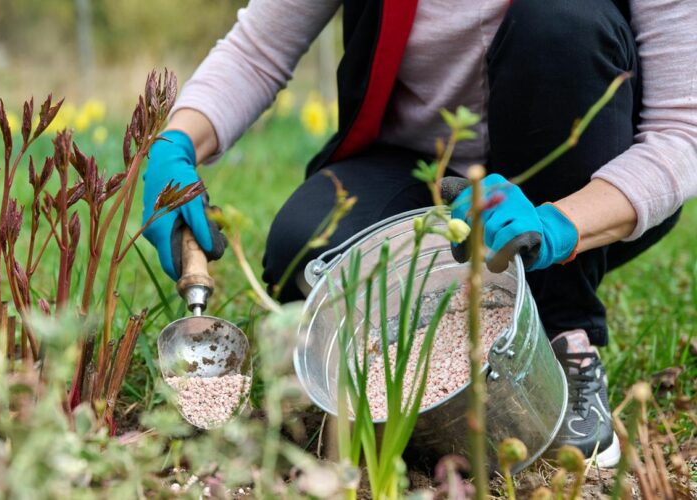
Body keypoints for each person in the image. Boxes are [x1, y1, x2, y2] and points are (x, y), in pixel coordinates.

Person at [140, 0, 697, 467]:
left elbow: (681, 133)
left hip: (574, 184)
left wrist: (561, 222)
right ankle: (429, 346)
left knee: (561, 23)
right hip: (417, 166)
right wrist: (176, 142)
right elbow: (257, 51)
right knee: (303, 253)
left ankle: (563, 333)